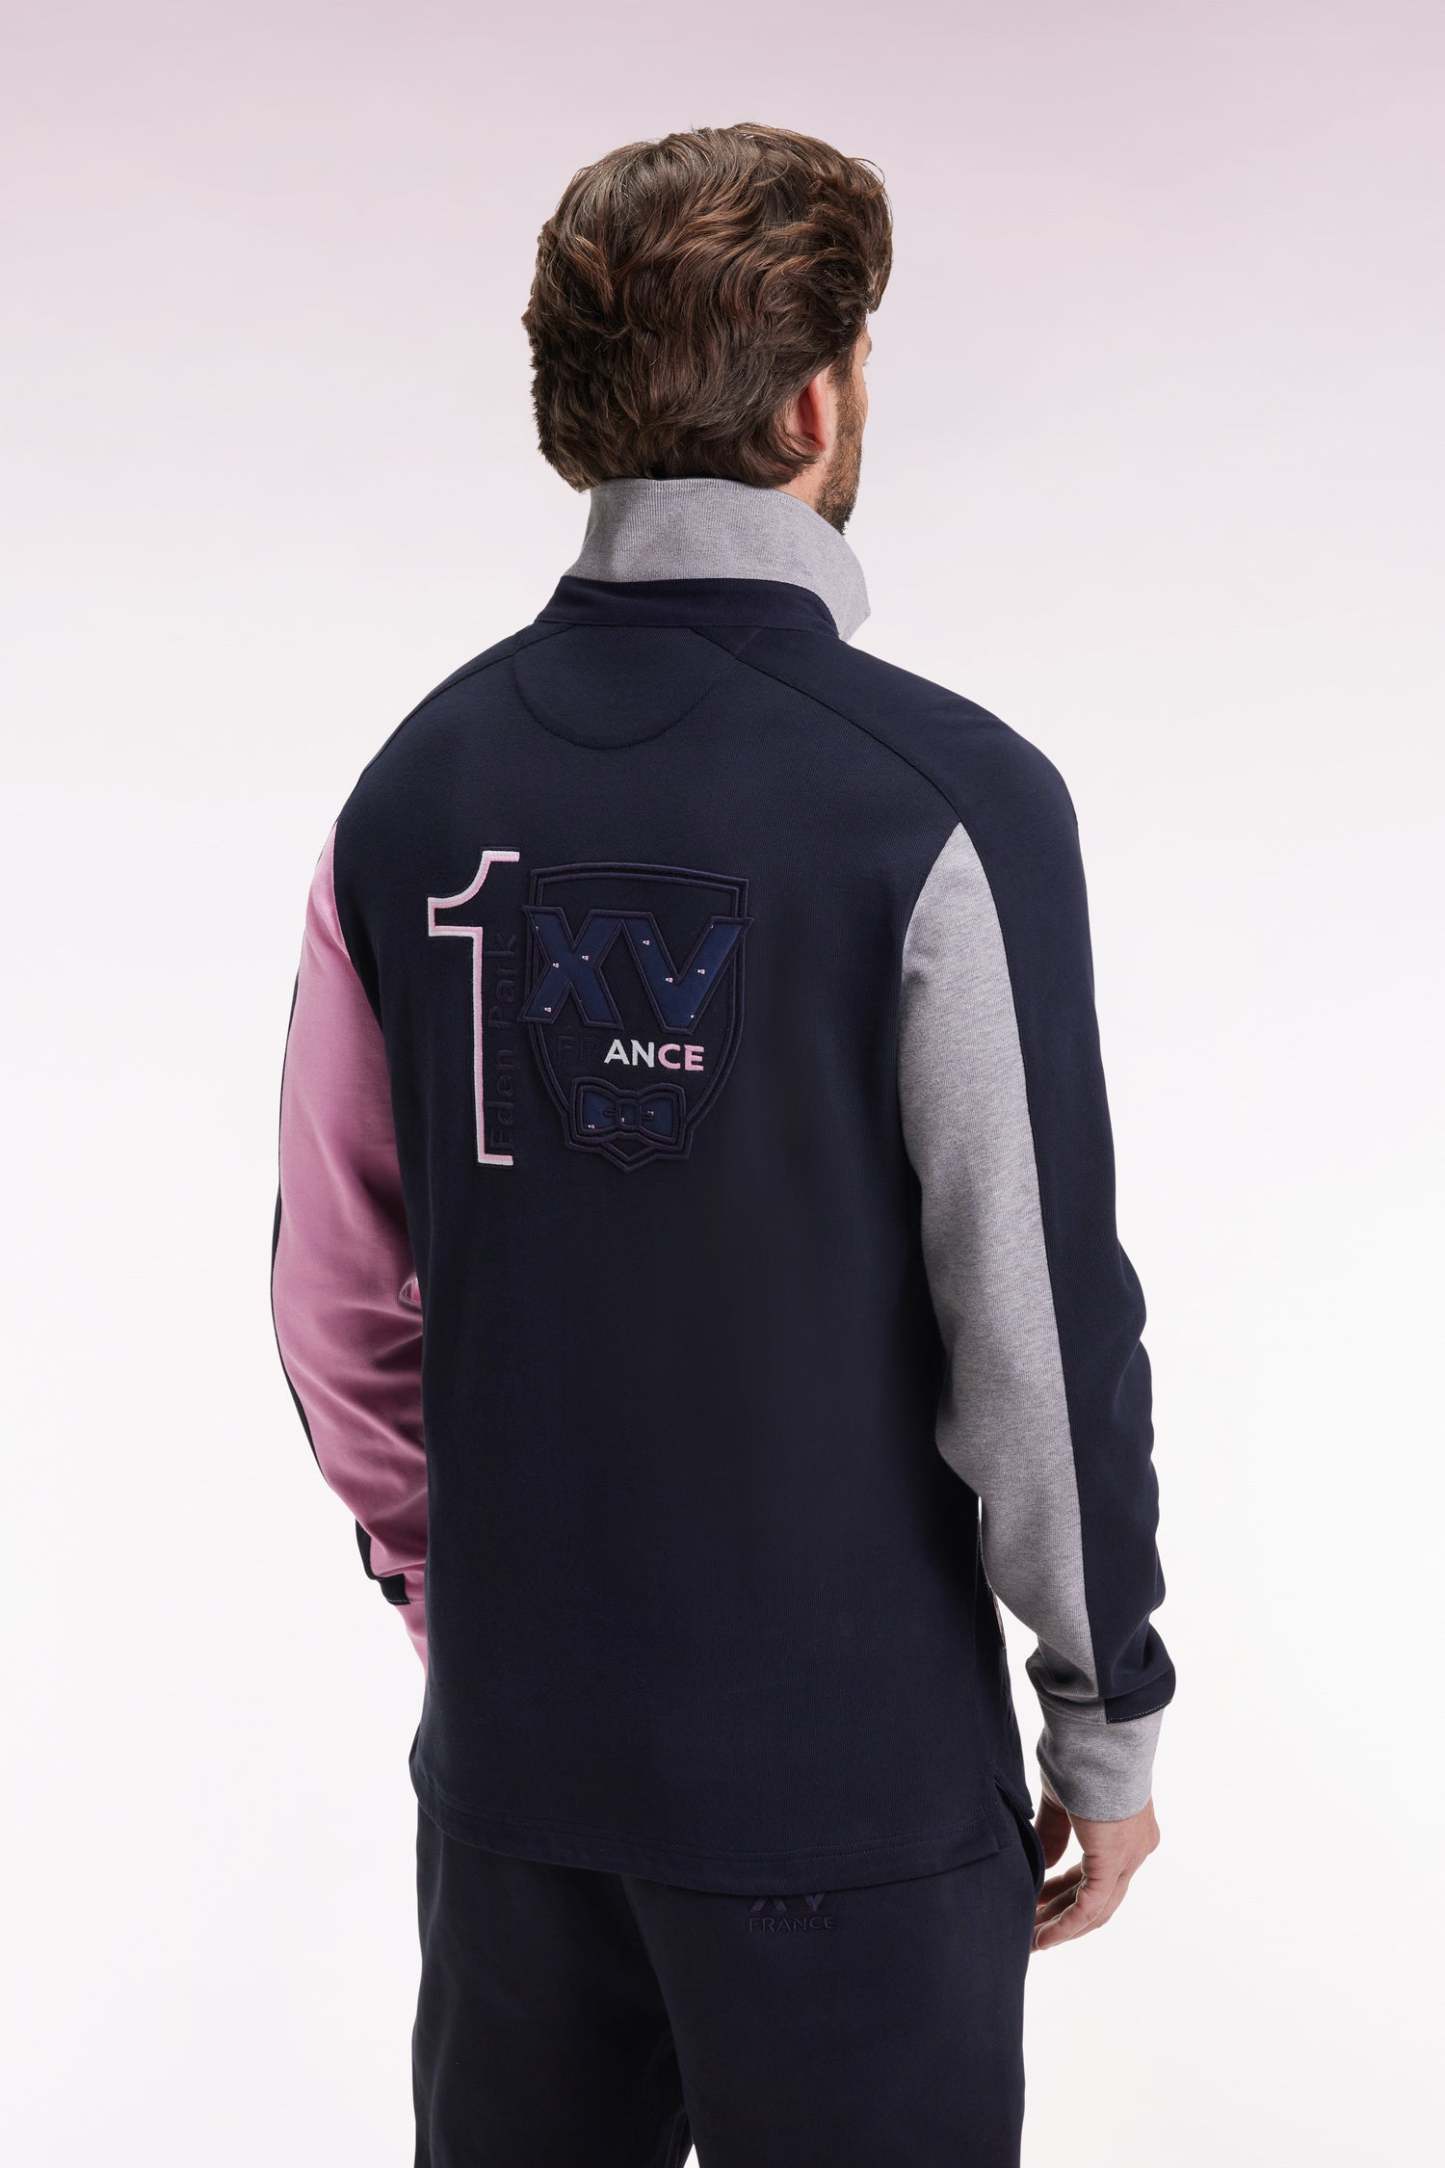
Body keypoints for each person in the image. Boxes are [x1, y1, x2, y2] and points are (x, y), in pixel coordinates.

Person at [272, 121, 1172, 2168]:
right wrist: (1103, 1712)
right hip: (843, 1800)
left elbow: (333, 1296)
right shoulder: (944, 801)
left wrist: (467, 1601)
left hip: (514, 1789)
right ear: (813, 404)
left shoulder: (410, 792)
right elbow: (1034, 1328)